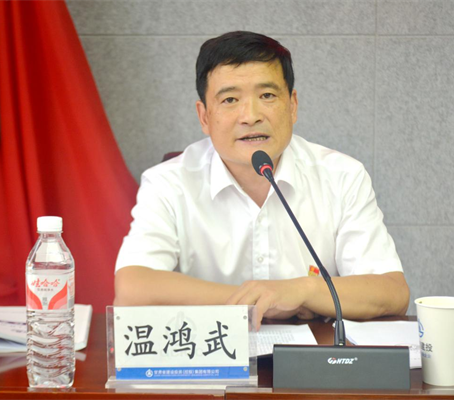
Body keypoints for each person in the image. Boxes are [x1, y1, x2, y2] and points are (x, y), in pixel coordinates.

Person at [114, 31, 409, 326]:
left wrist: (303, 290)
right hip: (214, 352)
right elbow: (132, 288)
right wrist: (263, 300)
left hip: (314, 352)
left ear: (292, 105)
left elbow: (392, 292)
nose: (250, 116)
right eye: (230, 99)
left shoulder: (342, 176)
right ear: (204, 117)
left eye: (267, 95)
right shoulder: (168, 182)